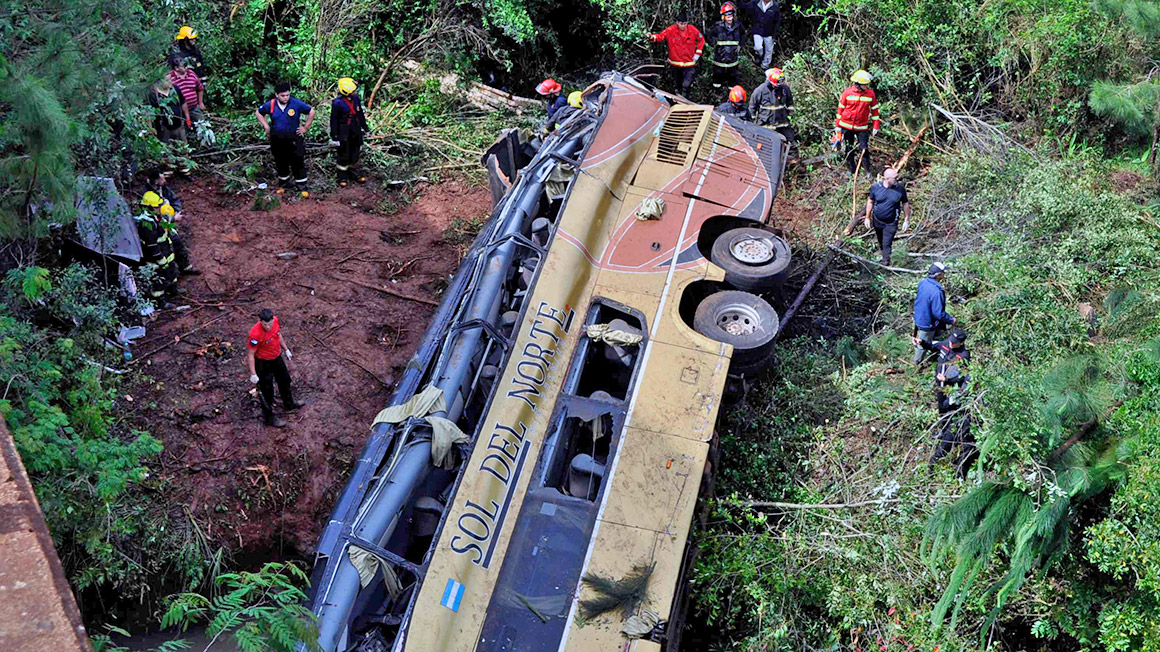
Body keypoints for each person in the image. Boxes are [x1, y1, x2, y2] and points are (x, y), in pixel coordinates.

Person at [255, 81, 315, 197]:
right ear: (277, 95)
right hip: (277, 139)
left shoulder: (296, 103)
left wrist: (305, 127)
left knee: (298, 160)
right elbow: (258, 112)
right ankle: (284, 184)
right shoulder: (271, 104)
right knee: (281, 161)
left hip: (294, 138)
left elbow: (311, 111)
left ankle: (302, 185)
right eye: (283, 95)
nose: (286, 98)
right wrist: (266, 126)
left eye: (287, 95)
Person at [246, 308, 303, 428]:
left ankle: (289, 404)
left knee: (285, 380)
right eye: (265, 324)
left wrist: (286, 349)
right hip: (263, 362)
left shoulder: (275, 321)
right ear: (260, 321)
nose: (268, 326)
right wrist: (253, 374)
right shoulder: (255, 334)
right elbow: (251, 354)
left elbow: (278, 335)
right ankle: (269, 417)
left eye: (270, 323)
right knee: (267, 390)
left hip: (276, 357)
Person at [928, 364, 975, 477]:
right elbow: (956, 397)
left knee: (967, 448)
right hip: (959, 417)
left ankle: (959, 475)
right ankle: (932, 468)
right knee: (947, 443)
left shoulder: (975, 383)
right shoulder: (967, 380)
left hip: (970, 420)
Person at [136, 192, 180, 305]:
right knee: (160, 280)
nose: (160, 208)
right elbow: (152, 246)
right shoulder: (146, 225)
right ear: (150, 207)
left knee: (172, 272)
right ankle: (160, 302)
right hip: (157, 260)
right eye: (157, 206)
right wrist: (161, 261)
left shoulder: (155, 218)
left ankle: (174, 291)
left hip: (167, 253)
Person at [835, 69, 881, 175]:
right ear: (857, 84)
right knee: (849, 148)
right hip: (846, 125)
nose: (866, 86)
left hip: (862, 127)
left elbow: (875, 110)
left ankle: (868, 172)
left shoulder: (870, 94)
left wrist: (876, 125)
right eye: (864, 84)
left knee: (864, 149)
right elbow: (840, 109)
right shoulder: (847, 92)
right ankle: (851, 170)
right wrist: (838, 125)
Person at [649, 9, 704, 96]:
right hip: (675, 64)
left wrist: (697, 54)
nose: (683, 26)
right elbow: (660, 36)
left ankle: (686, 98)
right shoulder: (671, 30)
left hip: (689, 63)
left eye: (685, 23)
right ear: (677, 23)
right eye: (681, 24)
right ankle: (678, 97)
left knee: (686, 85)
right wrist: (652, 37)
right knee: (677, 85)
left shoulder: (692, 30)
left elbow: (701, 40)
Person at [860, 167, 910, 265]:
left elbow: (905, 204)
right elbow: (870, 201)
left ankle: (886, 263)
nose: (897, 179)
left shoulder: (900, 189)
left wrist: (906, 219)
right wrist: (867, 217)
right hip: (877, 220)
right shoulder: (876, 187)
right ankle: (884, 256)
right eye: (895, 178)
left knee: (887, 242)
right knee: (881, 240)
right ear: (887, 179)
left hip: (892, 221)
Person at [912, 262, 957, 364]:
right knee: (922, 344)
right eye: (943, 273)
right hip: (927, 322)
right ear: (938, 275)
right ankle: (916, 364)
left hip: (920, 316)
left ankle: (934, 354)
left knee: (937, 335)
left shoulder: (923, 282)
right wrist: (951, 320)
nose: (944, 274)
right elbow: (938, 314)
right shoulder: (937, 292)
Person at [329, 77, 369, 187]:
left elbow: (360, 114)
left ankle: (353, 173)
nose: (354, 91)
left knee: (355, 153)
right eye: (352, 90)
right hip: (344, 132)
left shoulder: (355, 98)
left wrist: (365, 128)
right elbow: (334, 120)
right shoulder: (337, 103)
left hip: (355, 129)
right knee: (343, 155)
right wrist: (335, 137)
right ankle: (342, 177)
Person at [707, 3, 746, 95]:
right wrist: (713, 44)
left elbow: (744, 35)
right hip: (720, 57)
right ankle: (717, 92)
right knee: (718, 76)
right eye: (728, 16)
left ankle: (731, 93)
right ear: (723, 17)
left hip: (733, 58)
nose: (730, 18)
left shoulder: (738, 26)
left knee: (733, 76)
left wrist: (740, 44)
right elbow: (708, 35)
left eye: (731, 16)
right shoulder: (717, 26)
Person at [751, 67, 794, 143]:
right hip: (765, 126)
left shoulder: (785, 89)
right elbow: (752, 108)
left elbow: (790, 103)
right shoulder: (760, 91)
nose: (778, 87)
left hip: (782, 125)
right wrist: (752, 124)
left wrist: (789, 116)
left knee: (790, 144)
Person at [145, 78, 190, 144]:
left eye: (170, 79)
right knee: (167, 149)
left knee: (184, 147)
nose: (170, 81)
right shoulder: (153, 94)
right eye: (167, 80)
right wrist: (150, 128)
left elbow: (183, 103)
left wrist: (187, 118)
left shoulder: (175, 89)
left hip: (179, 125)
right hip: (163, 128)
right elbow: (148, 112)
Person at [168, 55, 206, 127]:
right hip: (179, 112)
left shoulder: (191, 73)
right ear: (176, 68)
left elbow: (200, 88)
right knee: (182, 129)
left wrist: (200, 103)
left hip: (194, 108)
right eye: (183, 66)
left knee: (203, 125)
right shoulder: (170, 78)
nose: (186, 67)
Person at [745, 0, 780, 69]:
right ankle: (758, 57)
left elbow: (777, 22)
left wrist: (775, 35)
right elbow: (745, 7)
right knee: (758, 47)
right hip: (757, 30)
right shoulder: (756, 2)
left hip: (769, 32)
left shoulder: (775, 6)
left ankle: (764, 67)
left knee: (769, 51)